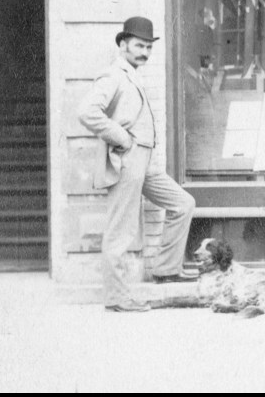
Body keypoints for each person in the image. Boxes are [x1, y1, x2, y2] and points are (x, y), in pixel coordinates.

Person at [79, 17, 197, 312]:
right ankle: (118, 298)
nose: (144, 51)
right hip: (128, 158)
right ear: (122, 44)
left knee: (183, 203)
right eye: (138, 45)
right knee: (120, 231)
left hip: (145, 160)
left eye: (148, 46)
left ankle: (166, 269)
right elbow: (87, 112)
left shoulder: (133, 73)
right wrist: (122, 138)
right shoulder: (114, 74)